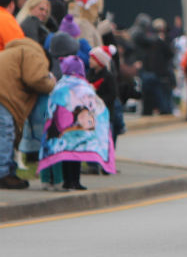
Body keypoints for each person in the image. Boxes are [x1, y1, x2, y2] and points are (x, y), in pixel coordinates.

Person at [40, 51, 115, 190]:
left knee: (67, 154)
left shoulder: (61, 85)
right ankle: (75, 181)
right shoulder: (84, 85)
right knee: (77, 154)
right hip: (80, 127)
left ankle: (68, 181)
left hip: (63, 127)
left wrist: (50, 122)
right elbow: (94, 104)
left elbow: (52, 105)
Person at [0, 36, 56, 188]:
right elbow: (36, 79)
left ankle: (8, 171)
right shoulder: (35, 54)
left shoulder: (17, 51)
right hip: (4, 96)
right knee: (5, 133)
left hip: (3, 92)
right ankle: (4, 174)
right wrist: (51, 82)